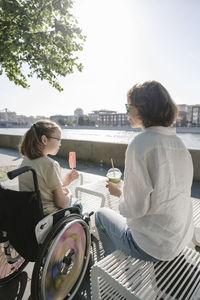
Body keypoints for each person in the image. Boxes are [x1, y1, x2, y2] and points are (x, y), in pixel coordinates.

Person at [95, 80, 194, 262]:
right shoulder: (179, 144)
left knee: (100, 216)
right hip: (179, 239)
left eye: (128, 106)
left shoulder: (140, 144)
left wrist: (120, 193)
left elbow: (134, 209)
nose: (126, 112)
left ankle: (110, 267)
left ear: (142, 108)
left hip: (152, 246)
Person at [18, 120, 82, 216]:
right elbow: (62, 203)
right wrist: (69, 194)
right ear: (44, 140)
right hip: (48, 216)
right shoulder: (50, 164)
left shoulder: (25, 162)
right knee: (77, 203)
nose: (60, 144)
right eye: (58, 139)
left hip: (30, 214)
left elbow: (44, 187)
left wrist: (66, 181)